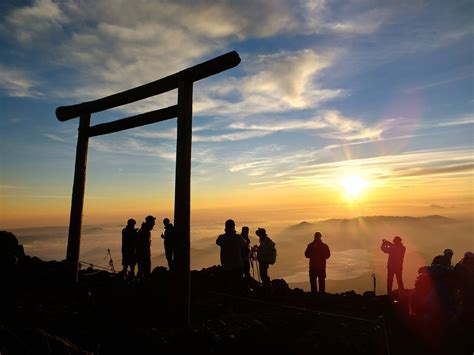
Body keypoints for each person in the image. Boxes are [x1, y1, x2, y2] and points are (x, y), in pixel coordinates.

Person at [216, 219, 246, 292]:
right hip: (238, 266)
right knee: (238, 286)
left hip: (226, 266)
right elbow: (244, 244)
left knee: (228, 286)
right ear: (233, 227)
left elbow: (218, 242)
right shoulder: (238, 238)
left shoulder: (221, 238)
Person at [255, 228, 276, 292]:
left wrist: (257, 249)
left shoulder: (264, 241)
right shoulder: (266, 240)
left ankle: (268, 289)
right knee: (264, 275)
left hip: (263, 261)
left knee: (263, 275)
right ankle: (268, 288)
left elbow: (263, 252)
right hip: (265, 260)